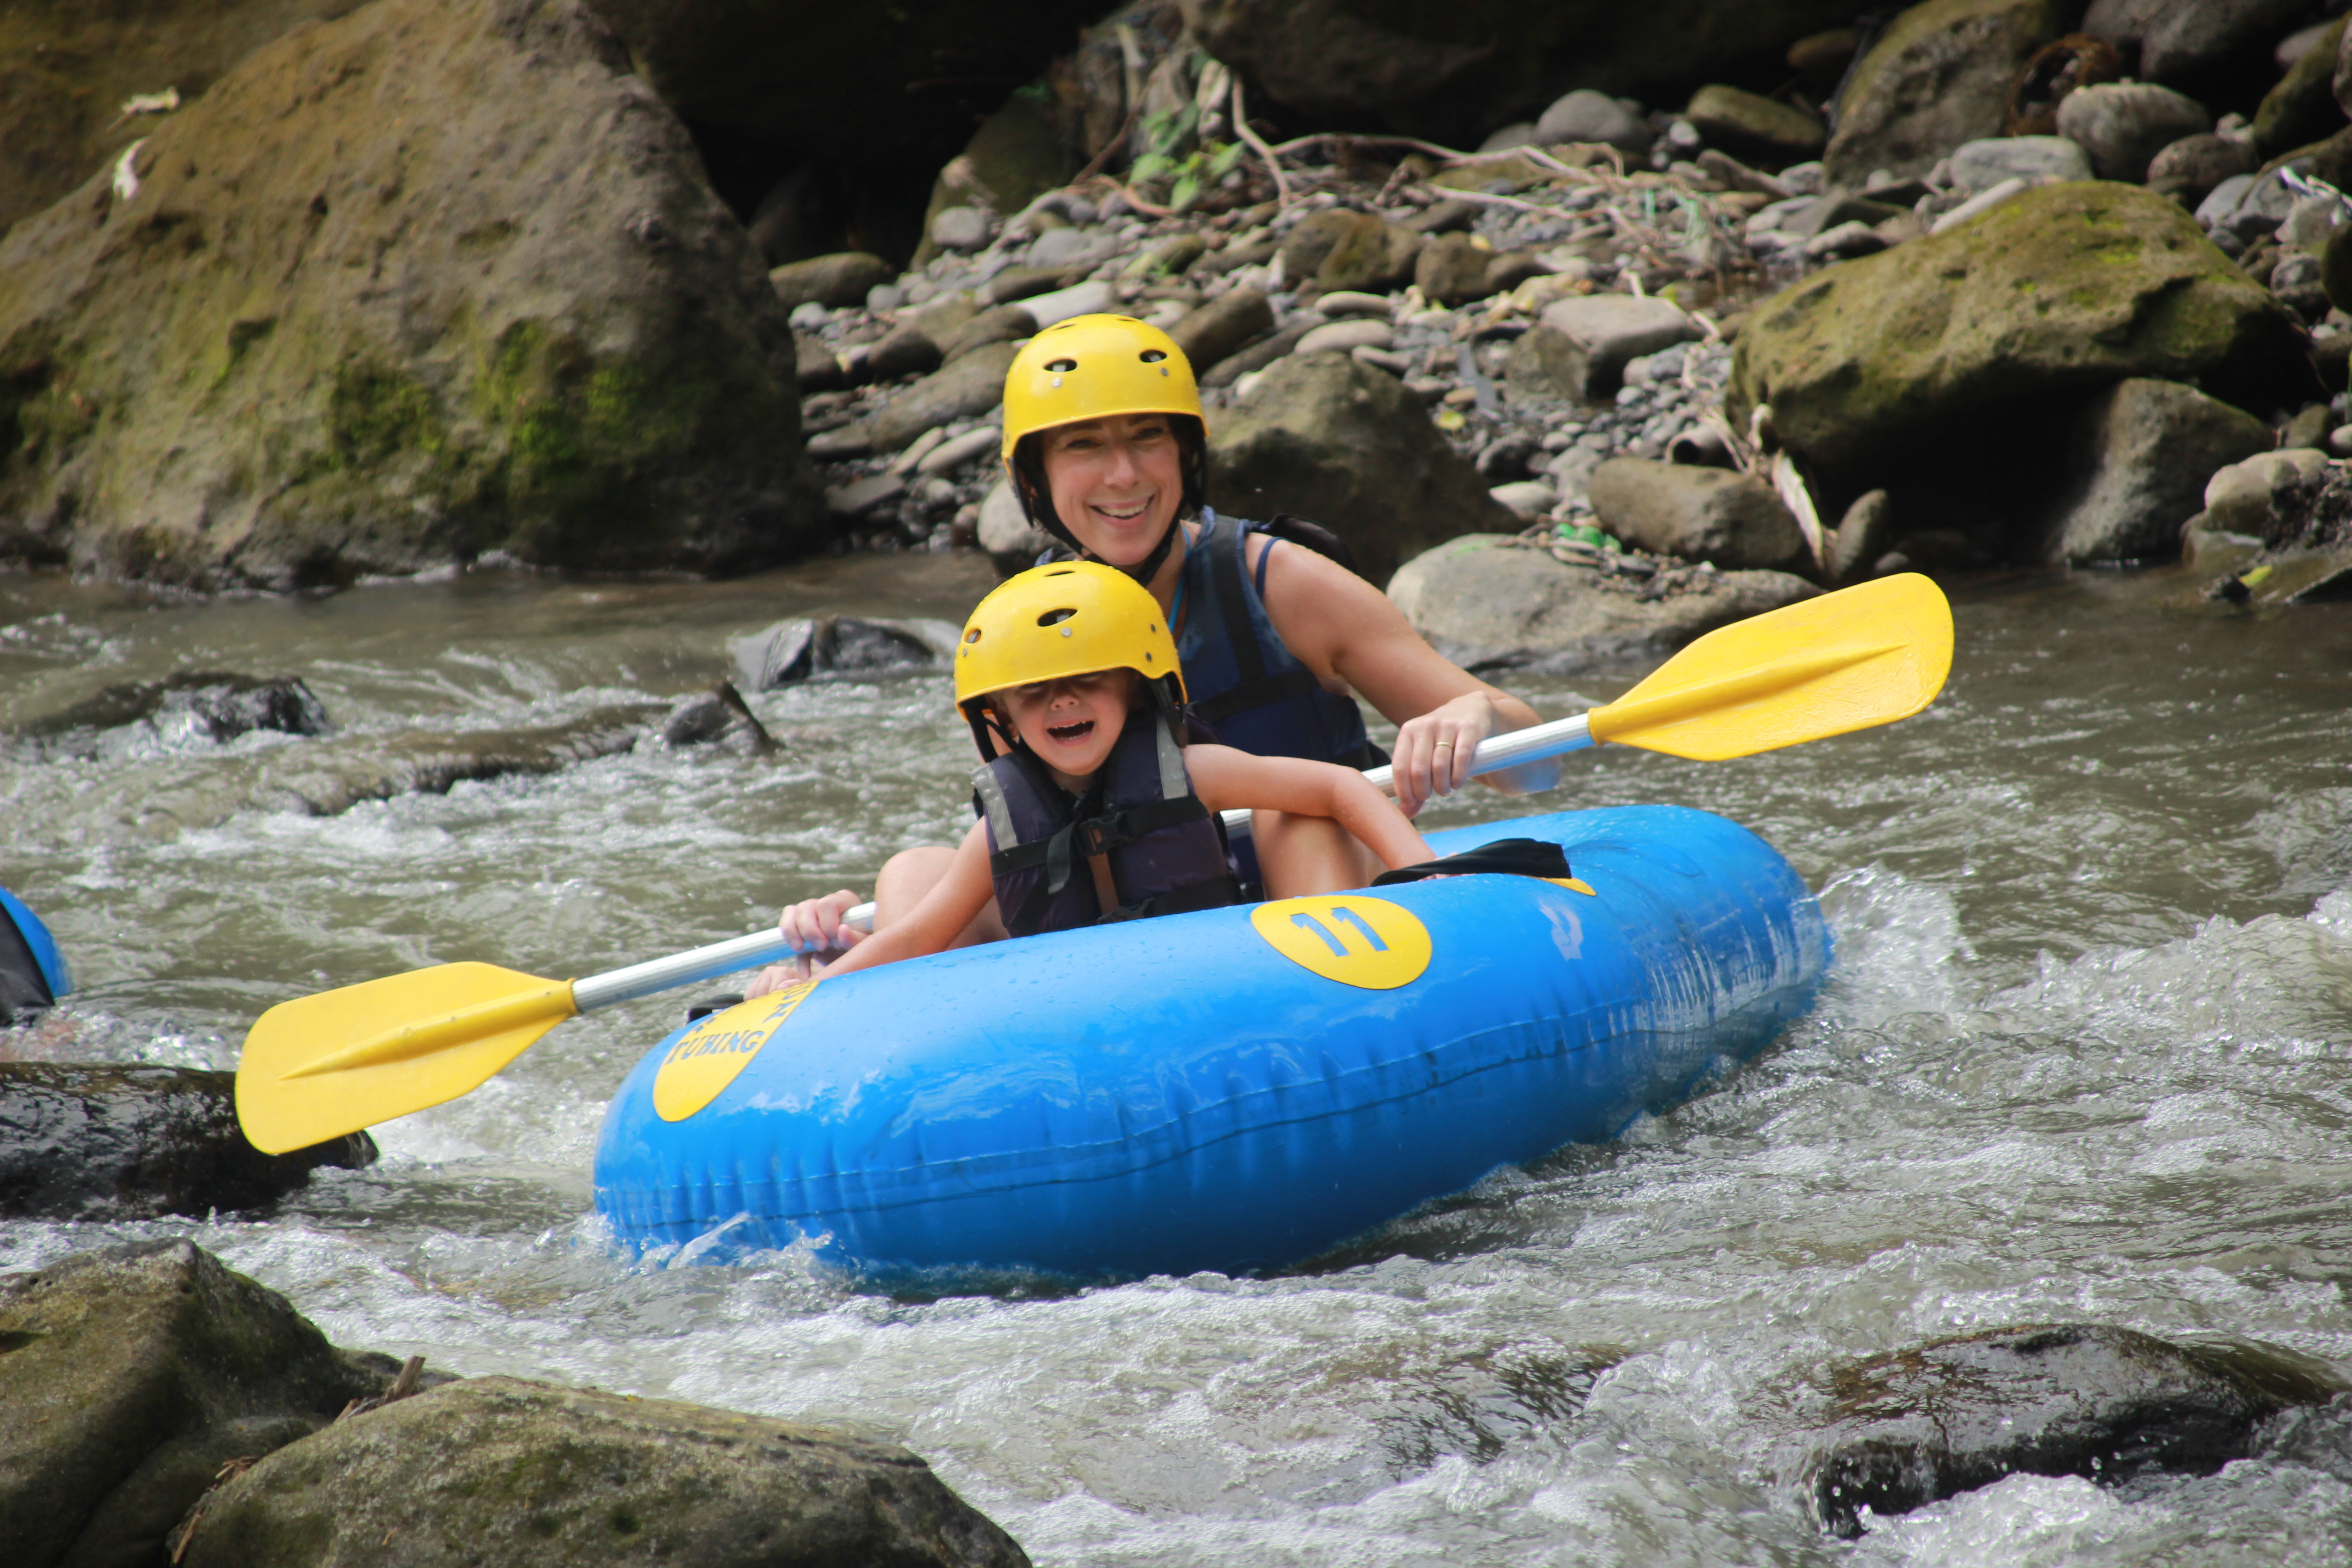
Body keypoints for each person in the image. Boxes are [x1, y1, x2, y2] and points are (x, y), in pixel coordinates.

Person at [768, 313, 1544, 970]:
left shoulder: (1281, 582)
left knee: (1294, 812)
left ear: (1187, 454)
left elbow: (1537, 772)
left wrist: (1475, 715)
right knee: (917, 870)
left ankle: (1352, 1022)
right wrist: (843, 941)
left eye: (1147, 438)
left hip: (1322, 891)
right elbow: (1032, 835)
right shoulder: (1022, 636)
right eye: (1083, 446)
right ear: (1032, 478)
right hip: (1160, 931)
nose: (1123, 476)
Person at [747, 562, 1441, 985]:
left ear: (1137, 692)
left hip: (1224, 981)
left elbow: (1336, 786)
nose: (1064, 702)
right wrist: (818, 989)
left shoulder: (1194, 770)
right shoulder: (1000, 832)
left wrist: (1424, 871)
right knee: (908, 871)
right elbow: (913, 940)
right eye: (1034, 693)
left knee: (1297, 812)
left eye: (1089, 682)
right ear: (1006, 722)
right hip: (1079, 1012)